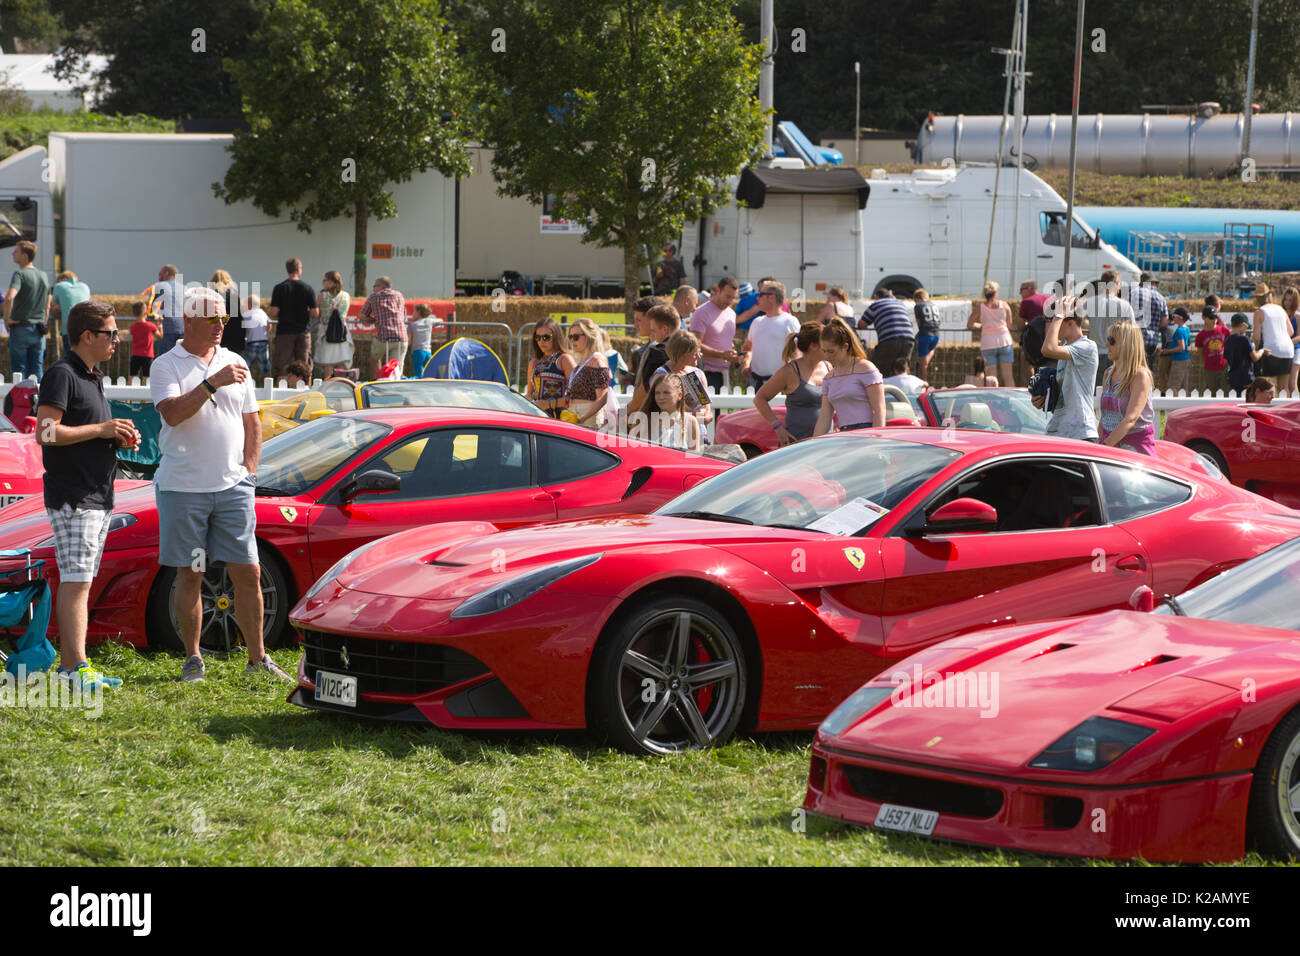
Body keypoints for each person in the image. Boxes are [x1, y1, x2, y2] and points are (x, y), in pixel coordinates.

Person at [149, 286, 291, 683]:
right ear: (190, 320)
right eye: (212, 318)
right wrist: (212, 382)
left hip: (232, 491)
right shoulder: (167, 365)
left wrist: (249, 471)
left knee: (248, 572)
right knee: (192, 573)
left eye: (224, 319)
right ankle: (193, 658)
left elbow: (253, 423)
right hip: (185, 490)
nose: (220, 326)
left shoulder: (235, 360)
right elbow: (174, 414)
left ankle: (257, 658)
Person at [35, 300, 139, 691]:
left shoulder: (91, 377)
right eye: (111, 333)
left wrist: (116, 437)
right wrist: (100, 430)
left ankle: (76, 665)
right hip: (73, 497)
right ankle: (72, 670)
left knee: (81, 581)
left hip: (95, 495)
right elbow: (46, 432)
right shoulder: (62, 374)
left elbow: (86, 432)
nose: (117, 339)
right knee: (76, 581)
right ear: (87, 336)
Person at [754, 322, 831, 444]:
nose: (830, 345)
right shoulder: (790, 371)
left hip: (825, 443)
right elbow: (759, 398)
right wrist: (778, 427)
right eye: (825, 341)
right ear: (814, 346)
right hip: (797, 444)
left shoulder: (829, 367)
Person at [1036, 296, 1099, 442]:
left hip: (1080, 432)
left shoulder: (1087, 347)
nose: (1051, 327)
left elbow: (1048, 349)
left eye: (1055, 322)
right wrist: (1045, 399)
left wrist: (1058, 315)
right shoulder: (1066, 349)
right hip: (1059, 431)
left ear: (1070, 323)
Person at [815, 317, 886, 436]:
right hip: (844, 435)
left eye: (831, 351)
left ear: (845, 346)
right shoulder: (828, 378)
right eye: (824, 351)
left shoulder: (866, 369)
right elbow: (824, 419)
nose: (826, 356)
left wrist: (875, 442)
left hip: (867, 432)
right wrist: (813, 445)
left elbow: (880, 410)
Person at [1099, 322, 1156, 455]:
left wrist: (1104, 447)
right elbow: (1105, 417)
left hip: (1134, 449)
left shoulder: (1139, 376)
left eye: (1112, 341)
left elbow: (1130, 419)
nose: (1106, 344)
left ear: (1126, 344)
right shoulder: (1108, 373)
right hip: (1108, 443)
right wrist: (1099, 441)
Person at [739, 280, 800, 390]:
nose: (757, 298)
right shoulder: (756, 322)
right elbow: (748, 348)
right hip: (756, 383)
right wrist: (746, 364)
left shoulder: (790, 321)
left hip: (781, 386)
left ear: (771, 298)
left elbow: (799, 352)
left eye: (760, 294)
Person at [4, 240, 50, 380]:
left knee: (19, 372)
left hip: (20, 328)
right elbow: (48, 304)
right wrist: (44, 320)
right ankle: (39, 400)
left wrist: (7, 319)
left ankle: (21, 402)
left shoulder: (20, 274)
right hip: (39, 330)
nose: (13, 253)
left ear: (24, 256)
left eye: (16, 251)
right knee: (37, 370)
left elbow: (9, 297)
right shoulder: (43, 275)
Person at [1080, 270, 1135, 383]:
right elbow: (1132, 331)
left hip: (1095, 352)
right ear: (1115, 284)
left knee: (1096, 389)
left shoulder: (1089, 302)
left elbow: (1078, 321)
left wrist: (1089, 329)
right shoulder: (1124, 305)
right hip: (1117, 354)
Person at [652, 329, 712, 430]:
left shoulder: (697, 374)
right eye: (694, 353)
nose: (699, 356)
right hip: (673, 436)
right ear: (682, 355)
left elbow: (706, 409)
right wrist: (692, 415)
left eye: (699, 352)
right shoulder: (662, 375)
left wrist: (706, 416)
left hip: (698, 434)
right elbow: (658, 408)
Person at [269, 257, 318, 380]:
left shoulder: (279, 288)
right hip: (303, 331)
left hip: (284, 332)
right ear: (299, 269)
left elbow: (273, 312)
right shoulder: (308, 288)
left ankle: (280, 393)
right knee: (305, 367)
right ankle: (306, 393)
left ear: (287, 270)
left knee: (282, 366)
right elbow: (315, 312)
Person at [688, 276, 739, 391]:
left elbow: (726, 340)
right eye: (727, 296)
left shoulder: (731, 313)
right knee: (704, 409)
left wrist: (733, 353)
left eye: (733, 298)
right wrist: (721, 354)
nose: (730, 301)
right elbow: (694, 346)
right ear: (717, 291)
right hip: (704, 373)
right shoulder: (701, 312)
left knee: (722, 409)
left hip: (724, 374)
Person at [564, 317, 612, 428]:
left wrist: (583, 417)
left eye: (576, 337)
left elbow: (603, 397)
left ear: (589, 336)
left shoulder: (596, 361)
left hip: (589, 418)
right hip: (576, 415)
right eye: (570, 337)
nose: (572, 341)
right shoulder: (583, 362)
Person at [634, 373, 702, 452]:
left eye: (666, 392)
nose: (661, 397)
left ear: (680, 395)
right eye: (657, 393)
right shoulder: (647, 421)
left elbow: (694, 457)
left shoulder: (690, 421)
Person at [858, 288, 915, 381]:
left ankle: (882, 392)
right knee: (902, 370)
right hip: (909, 339)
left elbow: (861, 324)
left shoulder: (876, 304)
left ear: (877, 297)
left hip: (889, 340)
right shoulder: (899, 303)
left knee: (880, 370)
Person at [630, 304, 679, 409]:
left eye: (653, 331)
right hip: (689, 418)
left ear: (665, 329)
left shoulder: (656, 353)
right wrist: (704, 410)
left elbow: (644, 390)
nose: (652, 335)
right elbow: (700, 396)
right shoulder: (694, 353)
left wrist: (628, 411)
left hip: (658, 418)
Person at [967, 280, 1015, 386]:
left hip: (988, 343)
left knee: (992, 378)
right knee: (1008, 377)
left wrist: (982, 325)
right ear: (996, 293)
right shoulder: (1005, 305)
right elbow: (1009, 325)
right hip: (1005, 340)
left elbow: (970, 324)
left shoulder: (980, 307)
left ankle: (993, 401)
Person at [525, 316, 575, 417]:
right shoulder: (534, 363)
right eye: (537, 337)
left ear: (556, 337)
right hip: (537, 417)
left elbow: (576, 397)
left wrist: (549, 404)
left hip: (560, 419)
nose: (541, 341)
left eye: (546, 337)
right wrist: (529, 399)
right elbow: (530, 393)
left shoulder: (564, 360)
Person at [359, 275, 406, 378]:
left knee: (374, 358)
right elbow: (403, 316)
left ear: (380, 286)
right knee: (396, 366)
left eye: (374, 286)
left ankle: (378, 380)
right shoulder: (399, 295)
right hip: (401, 336)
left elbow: (362, 315)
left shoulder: (374, 296)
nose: (373, 289)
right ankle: (395, 382)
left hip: (383, 336)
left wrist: (374, 320)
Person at [1252, 283, 1294, 392]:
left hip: (1271, 350)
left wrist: (1258, 349)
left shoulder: (1259, 312)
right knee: (1284, 388)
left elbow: (1256, 337)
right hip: (1288, 350)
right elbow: (1291, 332)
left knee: (1269, 387)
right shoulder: (1281, 309)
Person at [1127, 272, 1169, 370]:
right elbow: (1164, 322)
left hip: (1134, 340)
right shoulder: (1160, 298)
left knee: (1132, 370)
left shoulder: (1133, 293)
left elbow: (1125, 314)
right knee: (1146, 370)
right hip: (1151, 341)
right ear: (1153, 283)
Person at [314, 270, 354, 371]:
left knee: (328, 364)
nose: (323, 282)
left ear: (330, 282)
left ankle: (328, 385)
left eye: (324, 280)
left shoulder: (321, 296)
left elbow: (317, 314)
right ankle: (340, 386)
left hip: (326, 331)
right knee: (341, 364)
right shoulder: (346, 296)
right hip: (342, 332)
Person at [1224, 313, 1266, 396]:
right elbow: (1255, 358)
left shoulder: (1227, 340)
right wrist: (1262, 351)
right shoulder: (1244, 339)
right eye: (1246, 327)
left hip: (1233, 377)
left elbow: (1226, 358)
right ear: (1243, 325)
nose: (1246, 329)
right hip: (1246, 377)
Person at [624, 295, 662, 388]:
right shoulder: (642, 351)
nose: (635, 325)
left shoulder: (670, 349)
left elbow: (644, 389)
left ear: (652, 320)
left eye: (638, 320)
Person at [49, 270, 90, 354]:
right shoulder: (85, 287)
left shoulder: (59, 286)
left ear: (63, 278)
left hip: (69, 329)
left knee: (71, 361)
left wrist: (61, 307)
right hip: (87, 329)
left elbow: (52, 309)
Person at [151, 263, 186, 357]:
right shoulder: (184, 288)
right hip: (183, 329)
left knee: (165, 360)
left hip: (166, 329)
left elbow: (150, 308)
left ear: (166, 274)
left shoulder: (158, 286)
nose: (158, 277)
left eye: (160, 274)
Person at [1194, 306, 1230, 395]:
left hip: (1223, 367)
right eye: (1211, 317)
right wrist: (1205, 364)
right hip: (1209, 369)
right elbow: (1200, 352)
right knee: (1211, 393)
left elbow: (1230, 346)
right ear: (1204, 318)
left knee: (1226, 392)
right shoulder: (1200, 335)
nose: (1214, 320)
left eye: (1215, 317)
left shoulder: (1224, 330)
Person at [211, 270, 245, 357]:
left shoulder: (211, 294)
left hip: (217, 332)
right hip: (234, 334)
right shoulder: (235, 294)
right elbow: (241, 316)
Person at [1161, 307, 1193, 394]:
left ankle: (1172, 407)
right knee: (1184, 386)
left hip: (1179, 361)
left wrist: (1167, 351)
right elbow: (1188, 344)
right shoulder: (1186, 328)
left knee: (1173, 386)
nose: (1173, 318)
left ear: (1180, 318)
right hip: (1186, 359)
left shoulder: (1179, 330)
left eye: (1174, 316)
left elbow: (1181, 347)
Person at [128, 300, 161, 381]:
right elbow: (160, 336)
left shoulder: (132, 326)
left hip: (135, 354)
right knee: (146, 377)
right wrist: (160, 324)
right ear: (145, 313)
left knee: (132, 376)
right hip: (147, 355)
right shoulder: (151, 326)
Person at [912, 288, 941, 381]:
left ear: (917, 298)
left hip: (925, 334)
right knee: (932, 350)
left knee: (923, 365)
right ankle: (923, 364)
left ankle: (923, 383)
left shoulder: (918, 306)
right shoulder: (934, 305)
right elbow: (939, 322)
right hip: (936, 334)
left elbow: (919, 322)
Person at [241, 293, 271, 380]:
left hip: (252, 342)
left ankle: (248, 382)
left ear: (249, 304)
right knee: (265, 365)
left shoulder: (247, 314)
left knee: (246, 366)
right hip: (263, 342)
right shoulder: (262, 313)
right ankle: (267, 382)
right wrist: (266, 332)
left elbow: (243, 324)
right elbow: (269, 325)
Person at [407, 304, 437, 377]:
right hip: (428, 352)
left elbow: (409, 341)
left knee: (419, 374)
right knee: (429, 373)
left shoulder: (412, 325)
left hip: (417, 352)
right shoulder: (429, 322)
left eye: (414, 312)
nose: (412, 314)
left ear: (418, 312)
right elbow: (440, 320)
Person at [1281, 286, 1300, 396]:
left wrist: (1287, 343)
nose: (1287, 303)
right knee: (1284, 385)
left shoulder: (1298, 317)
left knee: (1292, 383)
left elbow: (1299, 336)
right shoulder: (1280, 314)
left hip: (1296, 350)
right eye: (1285, 299)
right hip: (1283, 351)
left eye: (1290, 300)